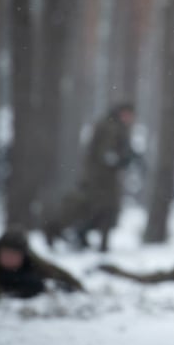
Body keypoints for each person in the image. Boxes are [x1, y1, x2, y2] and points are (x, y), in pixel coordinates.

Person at [44, 102, 138, 252]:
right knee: (96, 209)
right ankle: (59, 230)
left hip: (103, 178)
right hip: (99, 179)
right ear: (122, 113)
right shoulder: (111, 127)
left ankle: (87, 238)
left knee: (102, 209)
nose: (130, 119)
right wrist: (122, 159)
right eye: (128, 114)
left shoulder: (115, 126)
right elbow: (107, 155)